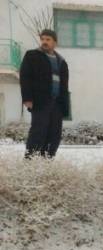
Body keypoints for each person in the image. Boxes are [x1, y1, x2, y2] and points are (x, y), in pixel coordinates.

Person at [19, 29, 69, 159]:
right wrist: (27, 98)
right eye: (43, 39)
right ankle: (31, 162)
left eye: (48, 39)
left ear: (55, 43)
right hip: (40, 101)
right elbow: (25, 77)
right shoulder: (32, 56)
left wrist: (65, 107)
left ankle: (47, 162)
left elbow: (64, 86)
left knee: (54, 134)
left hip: (57, 104)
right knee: (38, 132)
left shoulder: (62, 62)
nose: (44, 42)